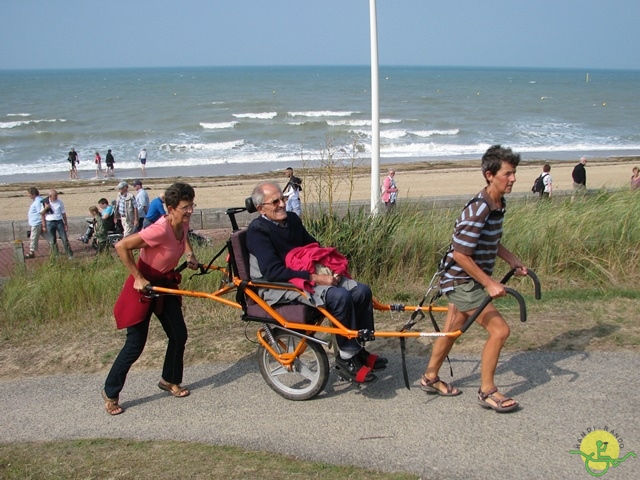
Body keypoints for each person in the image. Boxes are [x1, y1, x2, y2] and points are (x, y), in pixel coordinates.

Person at [419, 145, 527, 413]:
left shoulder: (498, 203)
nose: (513, 178)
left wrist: (512, 260)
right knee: (500, 330)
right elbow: (460, 254)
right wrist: (489, 283)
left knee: (453, 328)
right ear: (490, 175)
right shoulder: (479, 208)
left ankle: (430, 377)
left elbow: (490, 241)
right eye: (508, 173)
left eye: (514, 173)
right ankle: (487, 391)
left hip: (468, 279)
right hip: (461, 281)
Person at [246, 181, 387, 383]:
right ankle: (346, 359)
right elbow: (273, 271)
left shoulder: (292, 220)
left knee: (362, 291)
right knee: (339, 297)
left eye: (283, 198)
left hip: (304, 274)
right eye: (275, 201)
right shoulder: (258, 231)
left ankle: (357, 349)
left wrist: (331, 268)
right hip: (277, 285)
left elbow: (314, 247)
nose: (282, 204)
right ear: (261, 208)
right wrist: (317, 278)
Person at [102, 182, 199, 415]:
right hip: (143, 286)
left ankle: (169, 380)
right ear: (171, 208)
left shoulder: (182, 223)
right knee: (135, 344)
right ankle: (110, 392)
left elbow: (183, 236)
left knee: (179, 334)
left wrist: (189, 253)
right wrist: (137, 276)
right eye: (185, 207)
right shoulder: (158, 229)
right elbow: (121, 245)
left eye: (192, 205)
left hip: (164, 285)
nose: (190, 211)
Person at [41, 189, 74, 259]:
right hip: (49, 222)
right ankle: (56, 255)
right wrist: (44, 225)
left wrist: (66, 223)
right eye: (55, 196)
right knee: (52, 240)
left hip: (59, 221)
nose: (56, 197)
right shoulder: (45, 202)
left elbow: (63, 213)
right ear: (50, 196)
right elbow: (42, 214)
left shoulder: (60, 202)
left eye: (56, 195)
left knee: (64, 239)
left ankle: (69, 254)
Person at [26, 187, 43, 259]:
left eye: (28, 194)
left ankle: (31, 253)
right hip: (36, 223)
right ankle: (54, 248)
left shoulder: (38, 201)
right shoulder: (37, 200)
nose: (27, 195)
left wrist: (43, 224)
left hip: (37, 223)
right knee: (48, 237)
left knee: (33, 238)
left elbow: (41, 212)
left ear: (33, 194)